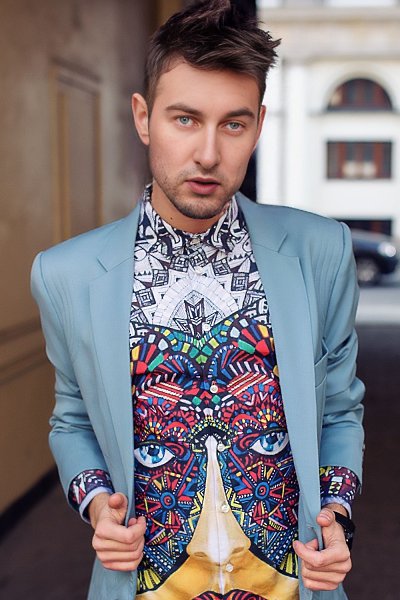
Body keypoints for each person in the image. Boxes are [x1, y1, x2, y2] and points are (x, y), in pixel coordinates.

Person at [31, 1, 364, 599]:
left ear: (258, 126)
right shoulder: (65, 275)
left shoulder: (322, 251)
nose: (208, 154)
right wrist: (97, 505)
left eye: (233, 124)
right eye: (185, 119)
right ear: (143, 117)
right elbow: (73, 417)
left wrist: (336, 516)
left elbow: (339, 409)